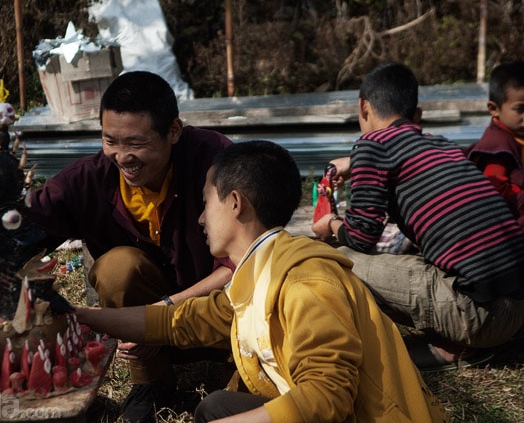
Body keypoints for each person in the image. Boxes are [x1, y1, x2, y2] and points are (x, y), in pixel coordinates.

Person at [0, 71, 235, 423]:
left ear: (173, 132)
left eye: (136, 143)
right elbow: (22, 221)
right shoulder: (92, 177)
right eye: (110, 141)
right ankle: (152, 381)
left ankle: (241, 375)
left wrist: (158, 318)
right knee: (117, 268)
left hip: (218, 316)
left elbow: (239, 263)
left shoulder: (216, 162)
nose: (122, 157)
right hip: (148, 329)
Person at [77, 140, 451, 423]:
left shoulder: (307, 284)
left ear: (236, 203)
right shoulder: (260, 275)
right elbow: (177, 320)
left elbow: (328, 398)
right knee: (217, 407)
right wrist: (82, 316)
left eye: (207, 203)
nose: (201, 220)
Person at [311, 61, 524, 371]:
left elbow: (361, 236)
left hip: (480, 317)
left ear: (363, 107)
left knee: (336, 258)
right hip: (516, 309)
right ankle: (465, 338)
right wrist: (356, 164)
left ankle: (454, 348)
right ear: (414, 111)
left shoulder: (371, 145)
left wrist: (329, 224)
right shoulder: (442, 145)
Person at [466, 60, 524, 230]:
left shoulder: (517, 135)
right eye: (520, 110)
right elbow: (496, 192)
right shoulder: (497, 146)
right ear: (494, 108)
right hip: (505, 225)